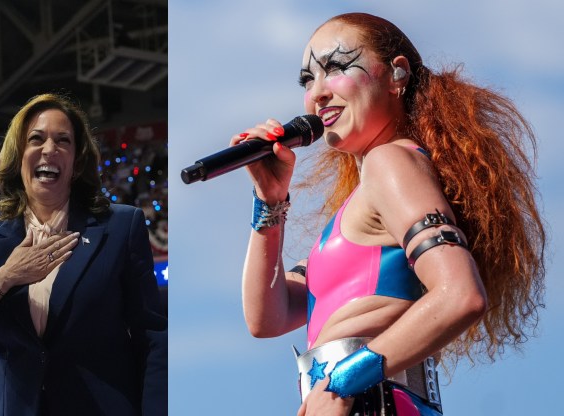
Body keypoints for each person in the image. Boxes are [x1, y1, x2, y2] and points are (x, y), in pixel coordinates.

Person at [233, 12, 546, 416]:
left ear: (397, 74)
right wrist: (269, 199)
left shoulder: (390, 163)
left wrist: (343, 382)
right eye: (308, 79)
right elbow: (267, 317)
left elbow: (461, 295)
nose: (318, 93)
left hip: (372, 401)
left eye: (336, 67)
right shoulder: (363, 201)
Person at [0, 93, 168, 415]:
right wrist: (2, 280)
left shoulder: (120, 227)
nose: (49, 149)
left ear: (76, 162)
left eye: (63, 140)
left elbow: (152, 336)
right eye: (36, 139)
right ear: (18, 156)